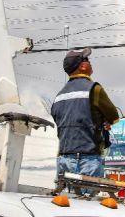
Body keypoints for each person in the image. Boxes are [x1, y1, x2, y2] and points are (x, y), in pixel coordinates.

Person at [50, 48, 119, 189]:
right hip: (89, 158)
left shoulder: (59, 96)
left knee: (66, 202)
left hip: (64, 157)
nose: (90, 62)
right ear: (82, 66)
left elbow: (60, 121)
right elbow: (113, 115)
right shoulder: (94, 89)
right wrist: (105, 121)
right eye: (87, 60)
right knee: (86, 203)